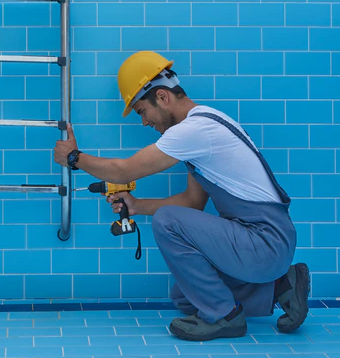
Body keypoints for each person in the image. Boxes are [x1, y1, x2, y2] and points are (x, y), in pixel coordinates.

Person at [54, 50, 309, 342]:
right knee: (186, 295)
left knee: (167, 221)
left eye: (141, 111)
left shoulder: (195, 130)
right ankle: (281, 287)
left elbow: (123, 172)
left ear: (162, 97)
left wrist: (74, 157)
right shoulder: (203, 126)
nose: (144, 122)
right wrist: (136, 206)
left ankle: (226, 318)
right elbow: (192, 202)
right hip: (264, 241)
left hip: (266, 241)